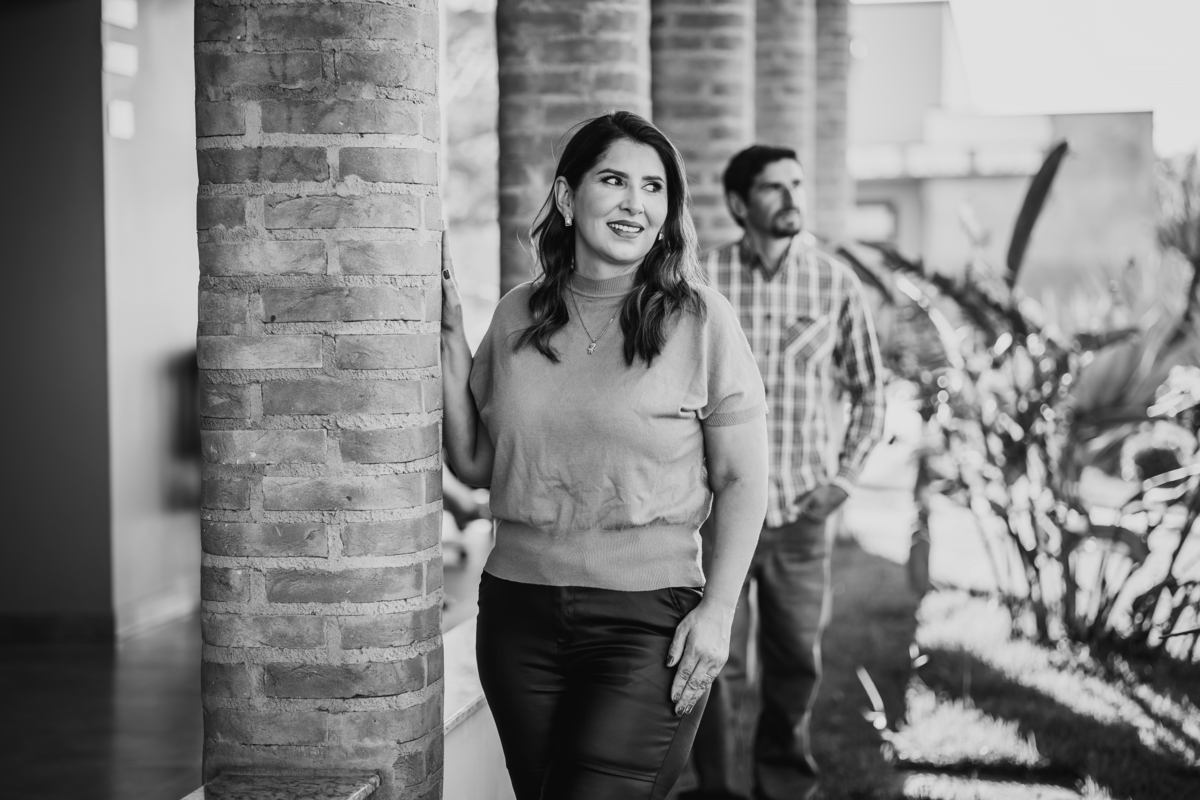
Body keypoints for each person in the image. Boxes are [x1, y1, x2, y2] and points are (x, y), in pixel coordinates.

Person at [439, 111, 770, 800]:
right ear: (567, 197)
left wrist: (718, 612)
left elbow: (742, 478)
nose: (635, 203)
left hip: (647, 624)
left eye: (653, 187)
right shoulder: (516, 315)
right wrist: (447, 338)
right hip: (517, 617)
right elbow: (475, 462)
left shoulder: (700, 320)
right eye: (614, 180)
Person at [684, 146, 886, 800]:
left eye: (797, 183)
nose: (792, 196)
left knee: (796, 662)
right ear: (739, 203)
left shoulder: (835, 283)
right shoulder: (702, 280)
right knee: (711, 663)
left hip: (801, 514)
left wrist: (844, 479)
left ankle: (784, 788)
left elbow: (871, 391)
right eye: (774, 187)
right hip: (715, 516)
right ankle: (716, 789)